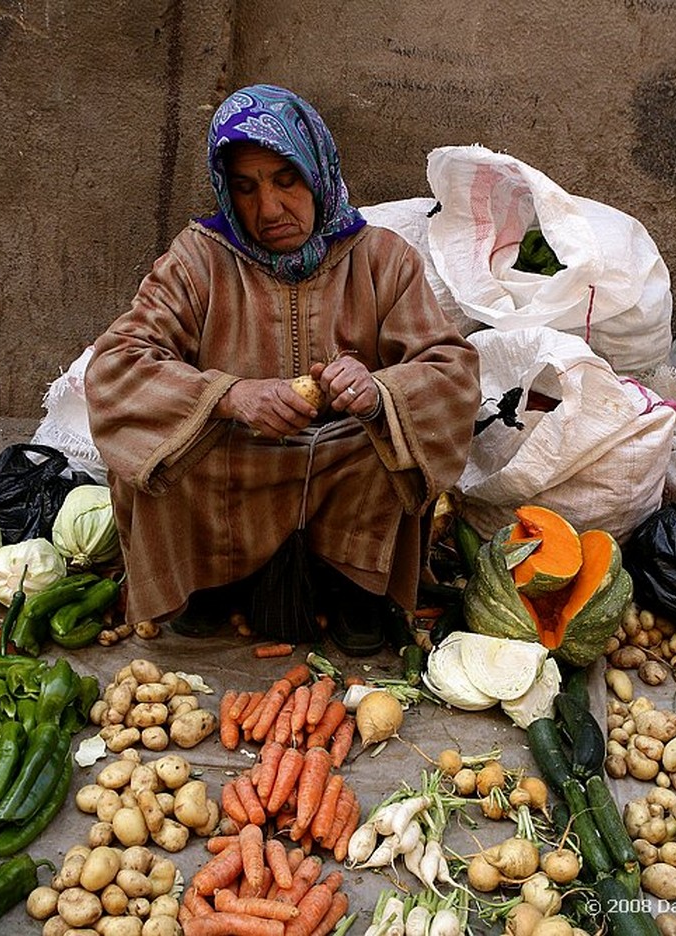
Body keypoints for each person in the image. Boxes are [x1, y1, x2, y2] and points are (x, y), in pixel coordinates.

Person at [84, 83, 481, 655]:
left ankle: (355, 591)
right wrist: (227, 395)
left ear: (316, 169)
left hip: (346, 461)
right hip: (237, 457)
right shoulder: (199, 260)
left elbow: (451, 370)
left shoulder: (383, 259)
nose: (267, 210)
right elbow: (117, 366)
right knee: (163, 439)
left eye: (285, 180)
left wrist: (378, 392)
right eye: (245, 188)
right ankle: (211, 584)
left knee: (390, 438)